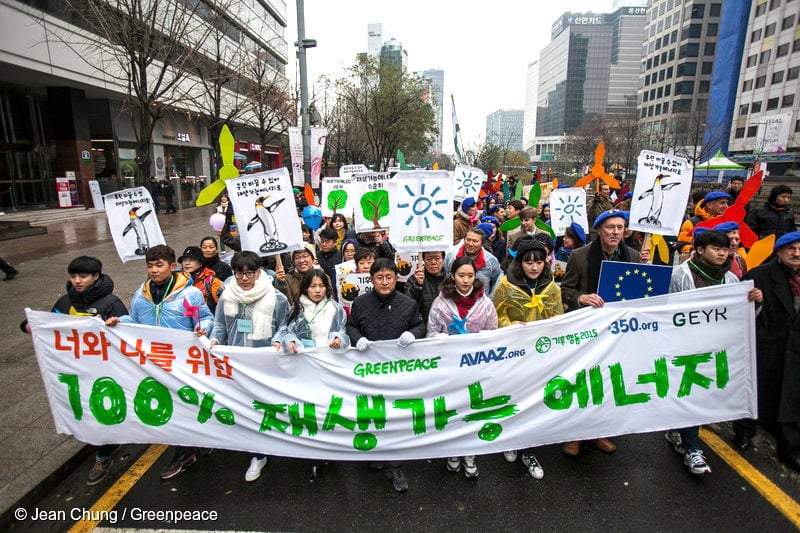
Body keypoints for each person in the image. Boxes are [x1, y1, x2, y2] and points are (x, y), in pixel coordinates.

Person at [105, 245, 214, 480]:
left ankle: (188, 449)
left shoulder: (190, 294)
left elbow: (206, 317)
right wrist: (118, 321)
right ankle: (190, 447)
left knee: (188, 405)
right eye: (150, 266)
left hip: (184, 362)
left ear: (172, 267)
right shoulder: (140, 295)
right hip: (154, 363)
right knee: (173, 409)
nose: (154, 270)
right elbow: (134, 321)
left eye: (159, 265)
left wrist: (202, 328)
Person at [22, 256, 128, 485]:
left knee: (102, 411)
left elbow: (129, 331)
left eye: (83, 276)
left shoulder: (111, 302)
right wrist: (30, 325)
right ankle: (105, 446)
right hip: (75, 372)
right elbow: (51, 324)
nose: (77, 281)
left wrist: (116, 325)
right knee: (88, 411)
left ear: (96, 276)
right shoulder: (64, 302)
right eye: (74, 276)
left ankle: (102, 455)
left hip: (105, 372)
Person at [665, 230, 762, 475]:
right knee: (690, 393)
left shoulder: (730, 280)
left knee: (704, 394)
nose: (722, 253)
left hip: (716, 347)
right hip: (685, 347)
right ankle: (692, 448)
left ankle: (678, 432)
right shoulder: (679, 277)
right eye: (716, 248)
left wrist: (754, 302)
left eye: (725, 249)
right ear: (699, 250)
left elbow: (742, 318)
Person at [560, 209, 649, 455]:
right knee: (581, 381)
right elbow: (565, 290)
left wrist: (647, 269)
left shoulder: (632, 256)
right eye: (610, 227)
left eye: (620, 227)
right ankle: (573, 434)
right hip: (586, 331)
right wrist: (581, 297)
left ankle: (599, 431)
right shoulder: (579, 256)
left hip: (618, 333)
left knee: (609, 380)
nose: (616, 232)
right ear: (599, 230)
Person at [208, 251, 289, 482]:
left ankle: (279, 443)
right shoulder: (226, 297)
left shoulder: (277, 298)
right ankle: (258, 454)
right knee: (248, 409)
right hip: (237, 364)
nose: (245, 278)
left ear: (259, 272)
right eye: (240, 273)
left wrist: (277, 341)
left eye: (250, 273)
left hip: (265, 364)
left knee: (267, 407)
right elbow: (220, 324)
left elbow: (284, 326)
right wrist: (214, 339)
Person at [346, 258, 425, 492]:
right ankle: (377, 451)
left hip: (397, 373)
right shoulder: (359, 303)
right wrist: (356, 337)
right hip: (368, 371)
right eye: (379, 277)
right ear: (371, 280)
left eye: (389, 277)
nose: (384, 281)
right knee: (373, 413)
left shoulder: (408, 303)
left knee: (394, 417)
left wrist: (413, 333)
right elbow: (351, 326)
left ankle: (395, 463)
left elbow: (420, 326)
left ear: (396, 278)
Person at [493, 238, 563, 479]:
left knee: (535, 402)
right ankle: (510, 440)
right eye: (528, 262)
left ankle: (529, 450)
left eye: (539, 262)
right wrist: (511, 325)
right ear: (519, 262)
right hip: (514, 353)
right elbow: (497, 314)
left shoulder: (553, 287)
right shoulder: (505, 285)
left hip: (541, 354)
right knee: (515, 397)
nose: (534, 267)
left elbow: (558, 317)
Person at [273, 269, 349, 483]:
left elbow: (343, 331)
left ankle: (331, 447)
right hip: (304, 368)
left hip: (329, 366)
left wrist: (338, 340)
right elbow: (286, 331)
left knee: (329, 408)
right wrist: (290, 342)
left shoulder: (335, 308)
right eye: (313, 286)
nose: (317, 290)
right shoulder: (296, 308)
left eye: (321, 286)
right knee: (310, 411)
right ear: (305, 288)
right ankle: (314, 454)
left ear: (327, 287)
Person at [427, 256, 498, 479]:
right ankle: (453, 453)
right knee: (453, 411)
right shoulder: (440, 303)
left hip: (475, 367)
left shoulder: (485, 303)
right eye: (461, 275)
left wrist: (481, 338)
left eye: (470, 275)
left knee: (472, 411)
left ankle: (470, 455)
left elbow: (494, 331)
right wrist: (446, 338)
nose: (466, 280)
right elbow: (431, 331)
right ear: (452, 276)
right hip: (450, 368)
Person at [740, 232, 800, 468]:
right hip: (767, 348)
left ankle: (790, 448)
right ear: (778, 252)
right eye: (791, 248)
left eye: (799, 248)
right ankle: (744, 431)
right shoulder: (759, 276)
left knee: (792, 398)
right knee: (756, 393)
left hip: (795, 351)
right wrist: (757, 301)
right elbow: (741, 312)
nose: (796, 253)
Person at [445, 228, 502, 299]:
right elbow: (446, 277)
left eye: (475, 241)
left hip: (481, 305)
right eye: (468, 240)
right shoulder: (452, 256)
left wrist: (490, 299)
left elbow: (497, 281)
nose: (470, 244)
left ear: (482, 243)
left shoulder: (491, 261)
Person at [677, 191, 732, 255]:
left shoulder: (728, 223)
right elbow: (681, 245)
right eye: (722, 203)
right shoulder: (691, 223)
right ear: (709, 205)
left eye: (726, 203)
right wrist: (700, 250)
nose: (726, 206)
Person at [405, 250, 448, 323]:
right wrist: (418, 285)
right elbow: (407, 304)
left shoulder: (450, 280)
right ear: (423, 260)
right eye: (429, 259)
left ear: (443, 260)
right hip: (423, 325)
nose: (433, 262)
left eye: (437, 258)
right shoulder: (414, 279)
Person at [179, 245, 223, 314]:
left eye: (191, 260)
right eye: (184, 260)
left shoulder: (211, 282)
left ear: (200, 263)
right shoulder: (177, 281)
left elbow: (224, 307)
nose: (187, 263)